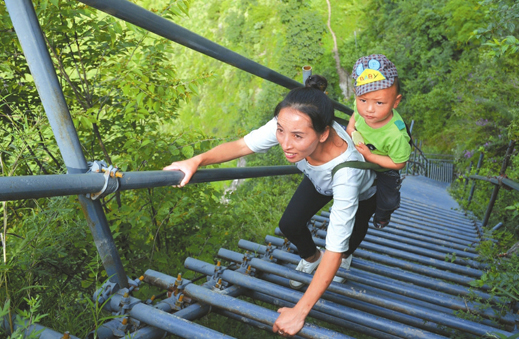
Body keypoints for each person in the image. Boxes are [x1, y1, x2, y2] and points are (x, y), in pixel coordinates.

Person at [163, 85, 376, 337]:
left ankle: (342, 263)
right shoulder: (290, 120)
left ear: (323, 134)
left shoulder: (348, 174)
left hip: (360, 194)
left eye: (297, 136)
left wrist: (300, 311)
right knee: (290, 225)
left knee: (345, 245)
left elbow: (335, 247)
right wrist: (196, 160)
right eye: (280, 131)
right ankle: (312, 259)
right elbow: (242, 146)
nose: (285, 143)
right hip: (318, 178)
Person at [346, 54, 412, 229]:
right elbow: (355, 113)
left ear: (395, 101)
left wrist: (370, 155)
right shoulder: (361, 108)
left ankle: (383, 214)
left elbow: (398, 163)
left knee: (387, 196)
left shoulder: (395, 134)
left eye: (379, 103)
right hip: (362, 154)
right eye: (363, 100)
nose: (368, 109)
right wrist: (351, 128)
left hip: (385, 165)